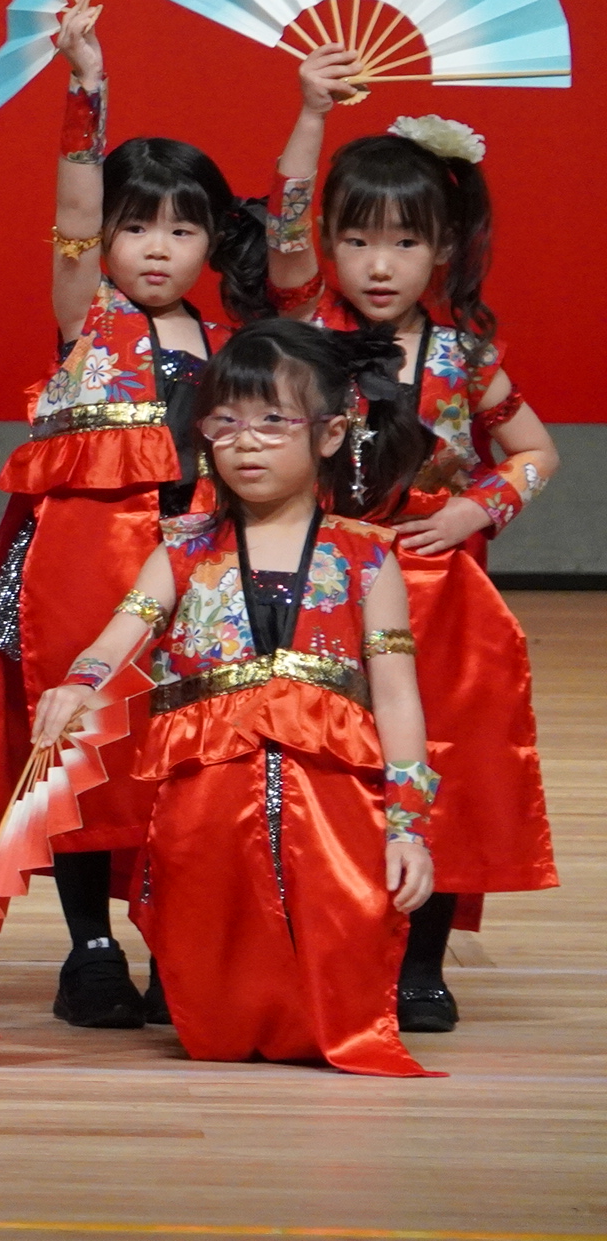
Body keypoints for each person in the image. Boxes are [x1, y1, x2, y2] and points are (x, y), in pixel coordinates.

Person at [0, 8, 272, 1036]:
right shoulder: (87, 318)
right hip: (82, 573)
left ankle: (175, 938)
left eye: (182, 228)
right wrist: (85, 90)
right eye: (135, 225)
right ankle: (89, 946)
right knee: (83, 748)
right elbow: (72, 211)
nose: (156, 247)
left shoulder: (232, 343)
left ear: (211, 239)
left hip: (195, 577)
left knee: (174, 755)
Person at [32, 319, 437, 1076]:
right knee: (210, 974)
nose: (246, 443)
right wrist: (79, 682)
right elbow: (122, 633)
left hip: (335, 800)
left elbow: (398, 697)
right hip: (204, 799)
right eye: (225, 423)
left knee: (337, 936)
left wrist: (409, 824)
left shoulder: (364, 555)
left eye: (273, 421)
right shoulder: (183, 545)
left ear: (331, 433)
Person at [264, 60, 560, 1031]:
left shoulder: (464, 357)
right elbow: (281, 221)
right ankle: (318, 937)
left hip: (436, 594)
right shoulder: (305, 328)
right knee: (318, 757)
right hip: (318, 583)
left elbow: (536, 453)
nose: (378, 265)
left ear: (441, 248)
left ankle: (420, 962)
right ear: (328, 242)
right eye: (356, 240)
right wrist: (311, 111)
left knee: (439, 762)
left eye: (403, 241)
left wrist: (476, 509)